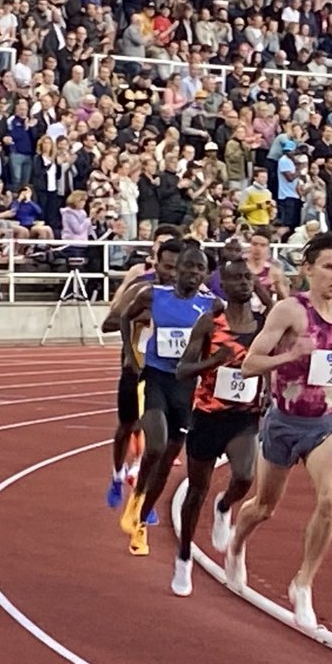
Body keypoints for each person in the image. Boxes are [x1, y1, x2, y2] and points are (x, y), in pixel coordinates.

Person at [225, 232, 332, 629]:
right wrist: (290, 355)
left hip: (326, 424)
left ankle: (303, 583)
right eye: (329, 267)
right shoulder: (290, 311)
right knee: (264, 507)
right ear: (308, 269)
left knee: (331, 500)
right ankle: (236, 543)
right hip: (284, 422)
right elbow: (249, 365)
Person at [170, 259, 266, 597]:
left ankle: (225, 505)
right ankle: (184, 556)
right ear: (222, 285)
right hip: (208, 417)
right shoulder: (210, 323)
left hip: (244, 417)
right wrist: (213, 361)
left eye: (248, 277)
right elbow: (182, 370)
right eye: (235, 278)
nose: (244, 283)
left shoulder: (263, 325)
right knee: (196, 490)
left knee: (245, 476)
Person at [117, 240, 218, 555]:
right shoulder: (153, 295)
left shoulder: (212, 305)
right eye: (188, 266)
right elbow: (125, 317)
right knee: (156, 445)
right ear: (178, 269)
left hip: (186, 388)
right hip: (156, 379)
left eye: (199, 268)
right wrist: (131, 355)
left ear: (205, 274)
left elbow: (237, 325)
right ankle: (136, 498)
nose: (192, 272)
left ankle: (142, 516)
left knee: (168, 456)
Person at [101, 224, 181, 510]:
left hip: (167, 375)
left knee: (159, 437)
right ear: (156, 263)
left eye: (176, 268)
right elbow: (109, 323)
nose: (171, 273)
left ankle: (142, 497)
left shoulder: (188, 295)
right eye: (167, 267)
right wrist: (141, 315)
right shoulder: (140, 288)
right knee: (128, 425)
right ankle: (117, 474)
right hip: (135, 368)